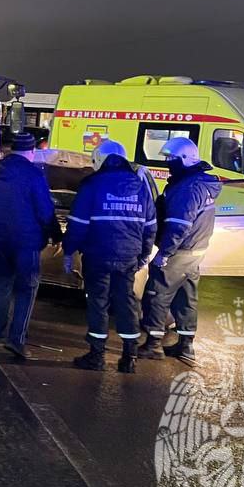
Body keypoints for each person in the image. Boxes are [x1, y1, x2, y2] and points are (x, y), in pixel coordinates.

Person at [62, 140, 156, 373]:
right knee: (126, 302)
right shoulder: (140, 186)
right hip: (128, 256)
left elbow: (78, 224)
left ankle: (97, 356)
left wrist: (68, 250)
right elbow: (150, 226)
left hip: (97, 254)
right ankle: (129, 357)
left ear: (100, 160)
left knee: (98, 302)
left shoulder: (92, 184)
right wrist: (144, 254)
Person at [0, 130, 62, 360]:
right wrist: (55, 234)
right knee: (26, 288)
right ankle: (16, 339)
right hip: (26, 242)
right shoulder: (34, 174)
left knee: (0, 286)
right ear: (31, 151)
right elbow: (45, 210)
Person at [136, 137, 220, 362]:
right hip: (195, 251)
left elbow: (179, 225)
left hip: (179, 251)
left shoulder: (188, 187)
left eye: (171, 158)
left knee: (157, 293)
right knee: (186, 297)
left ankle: (153, 345)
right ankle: (186, 346)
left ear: (185, 159)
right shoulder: (201, 183)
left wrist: (164, 253)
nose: (168, 162)